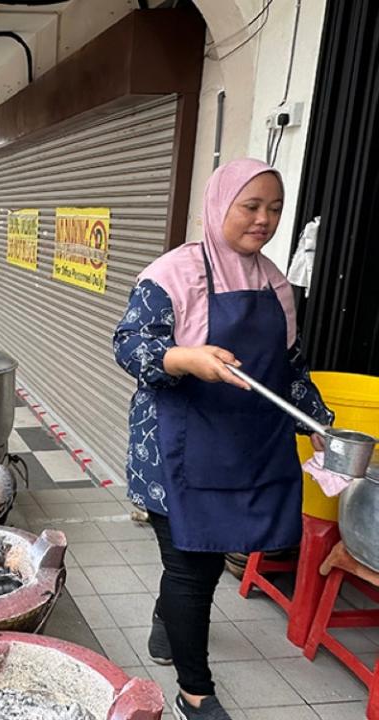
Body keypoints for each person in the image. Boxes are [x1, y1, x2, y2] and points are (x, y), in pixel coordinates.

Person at [112, 158, 334, 720]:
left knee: (201, 562)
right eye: (251, 206)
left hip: (243, 446)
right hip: (176, 445)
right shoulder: (173, 274)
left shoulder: (275, 283)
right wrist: (185, 358)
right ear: (220, 206)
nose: (264, 220)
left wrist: (325, 426)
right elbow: (130, 346)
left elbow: (289, 369)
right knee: (193, 564)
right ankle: (195, 691)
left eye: (275, 209)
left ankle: (168, 621)